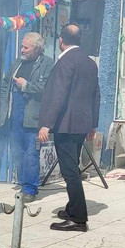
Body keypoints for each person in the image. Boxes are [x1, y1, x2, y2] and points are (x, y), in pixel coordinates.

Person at [37, 23, 100, 232]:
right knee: (72, 167)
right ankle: (72, 207)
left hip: (65, 124)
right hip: (82, 124)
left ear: (61, 41)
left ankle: (78, 218)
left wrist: (46, 124)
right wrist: (93, 124)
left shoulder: (65, 62)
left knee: (69, 171)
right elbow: (95, 95)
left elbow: (58, 95)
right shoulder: (90, 63)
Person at [0, 32, 54, 202]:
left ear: (37, 49)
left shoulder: (48, 64)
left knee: (31, 153)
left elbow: (48, 88)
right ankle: (22, 182)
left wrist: (26, 85)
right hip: (15, 115)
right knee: (17, 152)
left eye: (25, 47)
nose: (21, 49)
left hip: (33, 117)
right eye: (21, 46)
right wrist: (4, 105)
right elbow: (5, 83)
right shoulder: (17, 63)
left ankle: (30, 188)